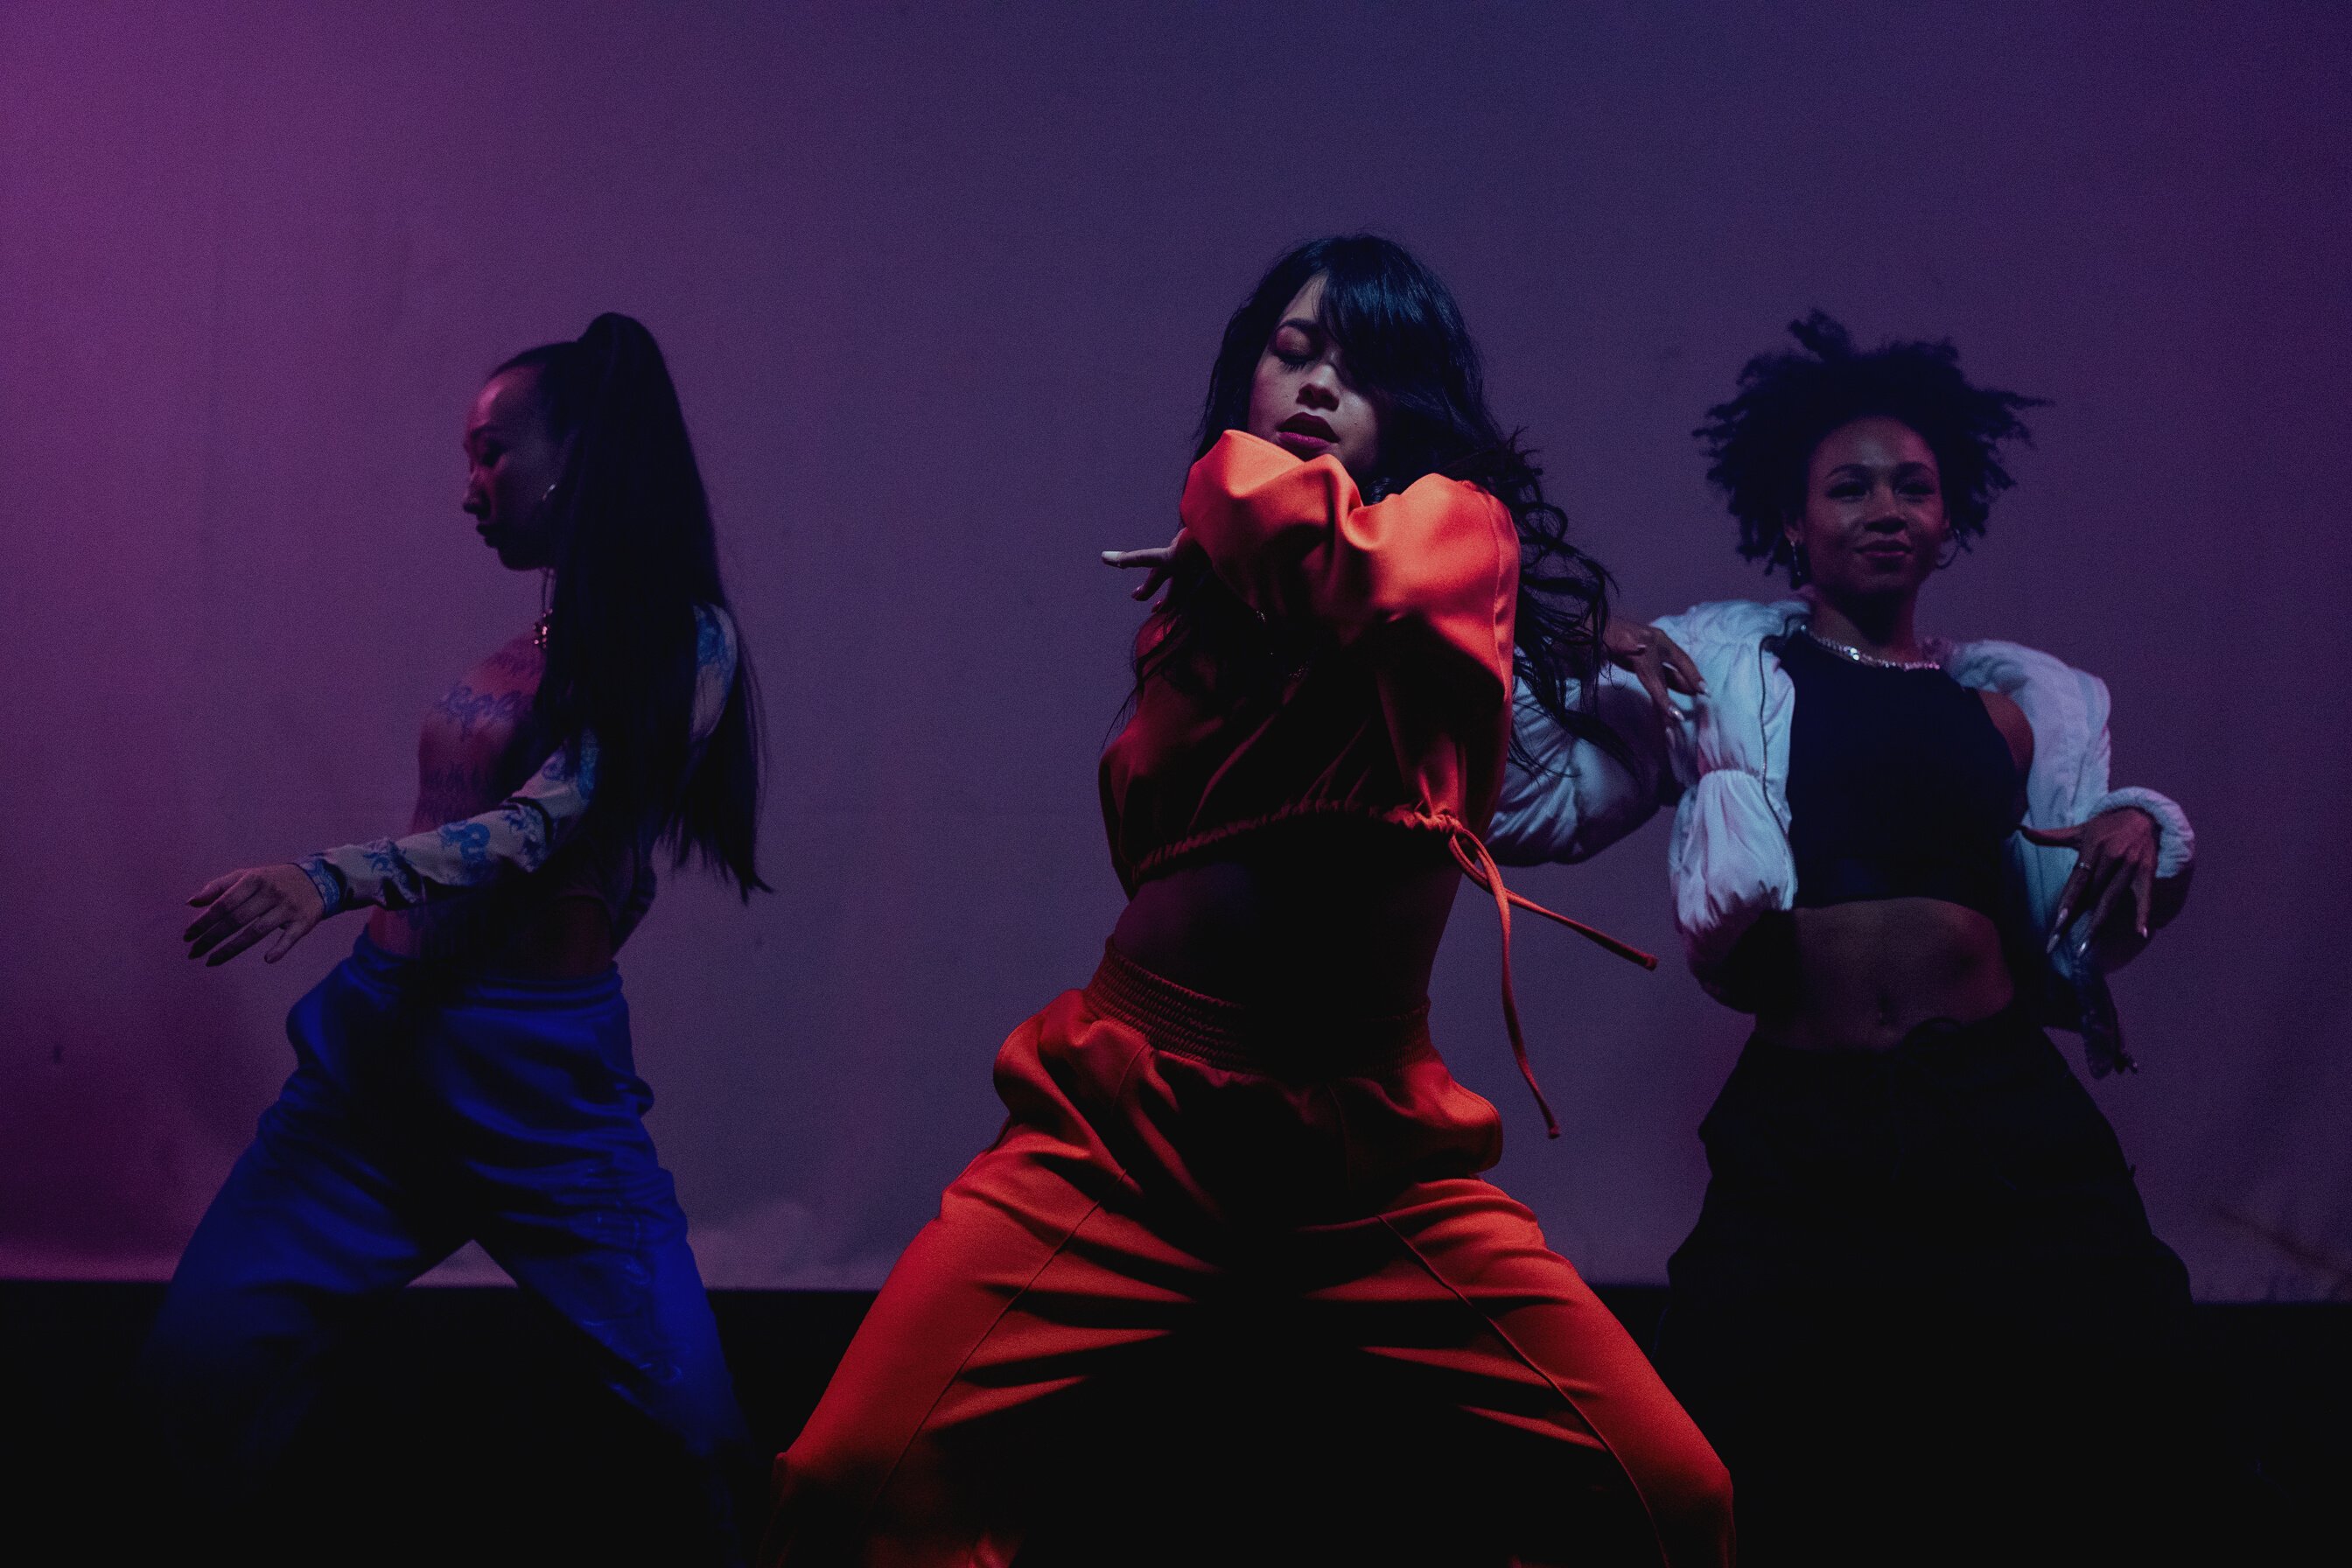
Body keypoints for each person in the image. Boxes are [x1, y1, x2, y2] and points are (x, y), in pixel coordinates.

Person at [760, 236, 1732, 1567]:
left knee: (1665, 1497)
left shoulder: (1456, 532)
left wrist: (1231, 468)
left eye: (1362, 364)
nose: (1321, 381)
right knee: (845, 1484)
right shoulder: (1199, 617)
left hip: (1361, 1147)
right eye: (1293, 350)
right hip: (1124, 1119)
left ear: (1422, 409)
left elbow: (1323, 550)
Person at [1488, 312, 2213, 1561]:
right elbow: (1531, 806)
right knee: (1758, 1423)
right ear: (1793, 521)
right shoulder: (1718, 671)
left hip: (1993, 1108)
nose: (1885, 505)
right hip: (1809, 1117)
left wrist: (2147, 823)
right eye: (1850, 485)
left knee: (2096, 1400)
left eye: (1913, 486)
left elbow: (2100, 847)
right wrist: (1556, 640)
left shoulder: (2015, 705)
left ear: (1948, 518)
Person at [138, 313, 765, 1559]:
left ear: (578, 459)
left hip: (540, 1099)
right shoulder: (524, 647)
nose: (470, 488)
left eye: (493, 455)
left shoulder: (687, 638)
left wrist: (329, 878)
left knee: (700, 1431)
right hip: (378, 1078)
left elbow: (548, 825)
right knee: (190, 1378)